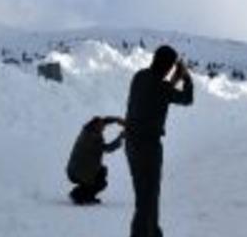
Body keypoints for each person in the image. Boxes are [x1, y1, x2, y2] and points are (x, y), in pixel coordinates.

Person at [125, 45, 194, 237]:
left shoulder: (139, 77)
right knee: (147, 199)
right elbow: (187, 98)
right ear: (169, 66)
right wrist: (186, 78)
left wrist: (174, 79)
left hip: (131, 144)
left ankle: (153, 233)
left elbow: (158, 92)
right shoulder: (161, 87)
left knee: (145, 196)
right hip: (148, 148)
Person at [66, 115, 125, 205]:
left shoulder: (87, 131)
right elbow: (108, 148)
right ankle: (78, 195)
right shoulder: (92, 139)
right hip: (79, 172)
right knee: (101, 182)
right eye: (101, 127)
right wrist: (120, 137)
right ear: (96, 126)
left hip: (74, 170)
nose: (103, 128)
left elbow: (104, 121)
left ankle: (86, 195)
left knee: (102, 171)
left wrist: (116, 120)